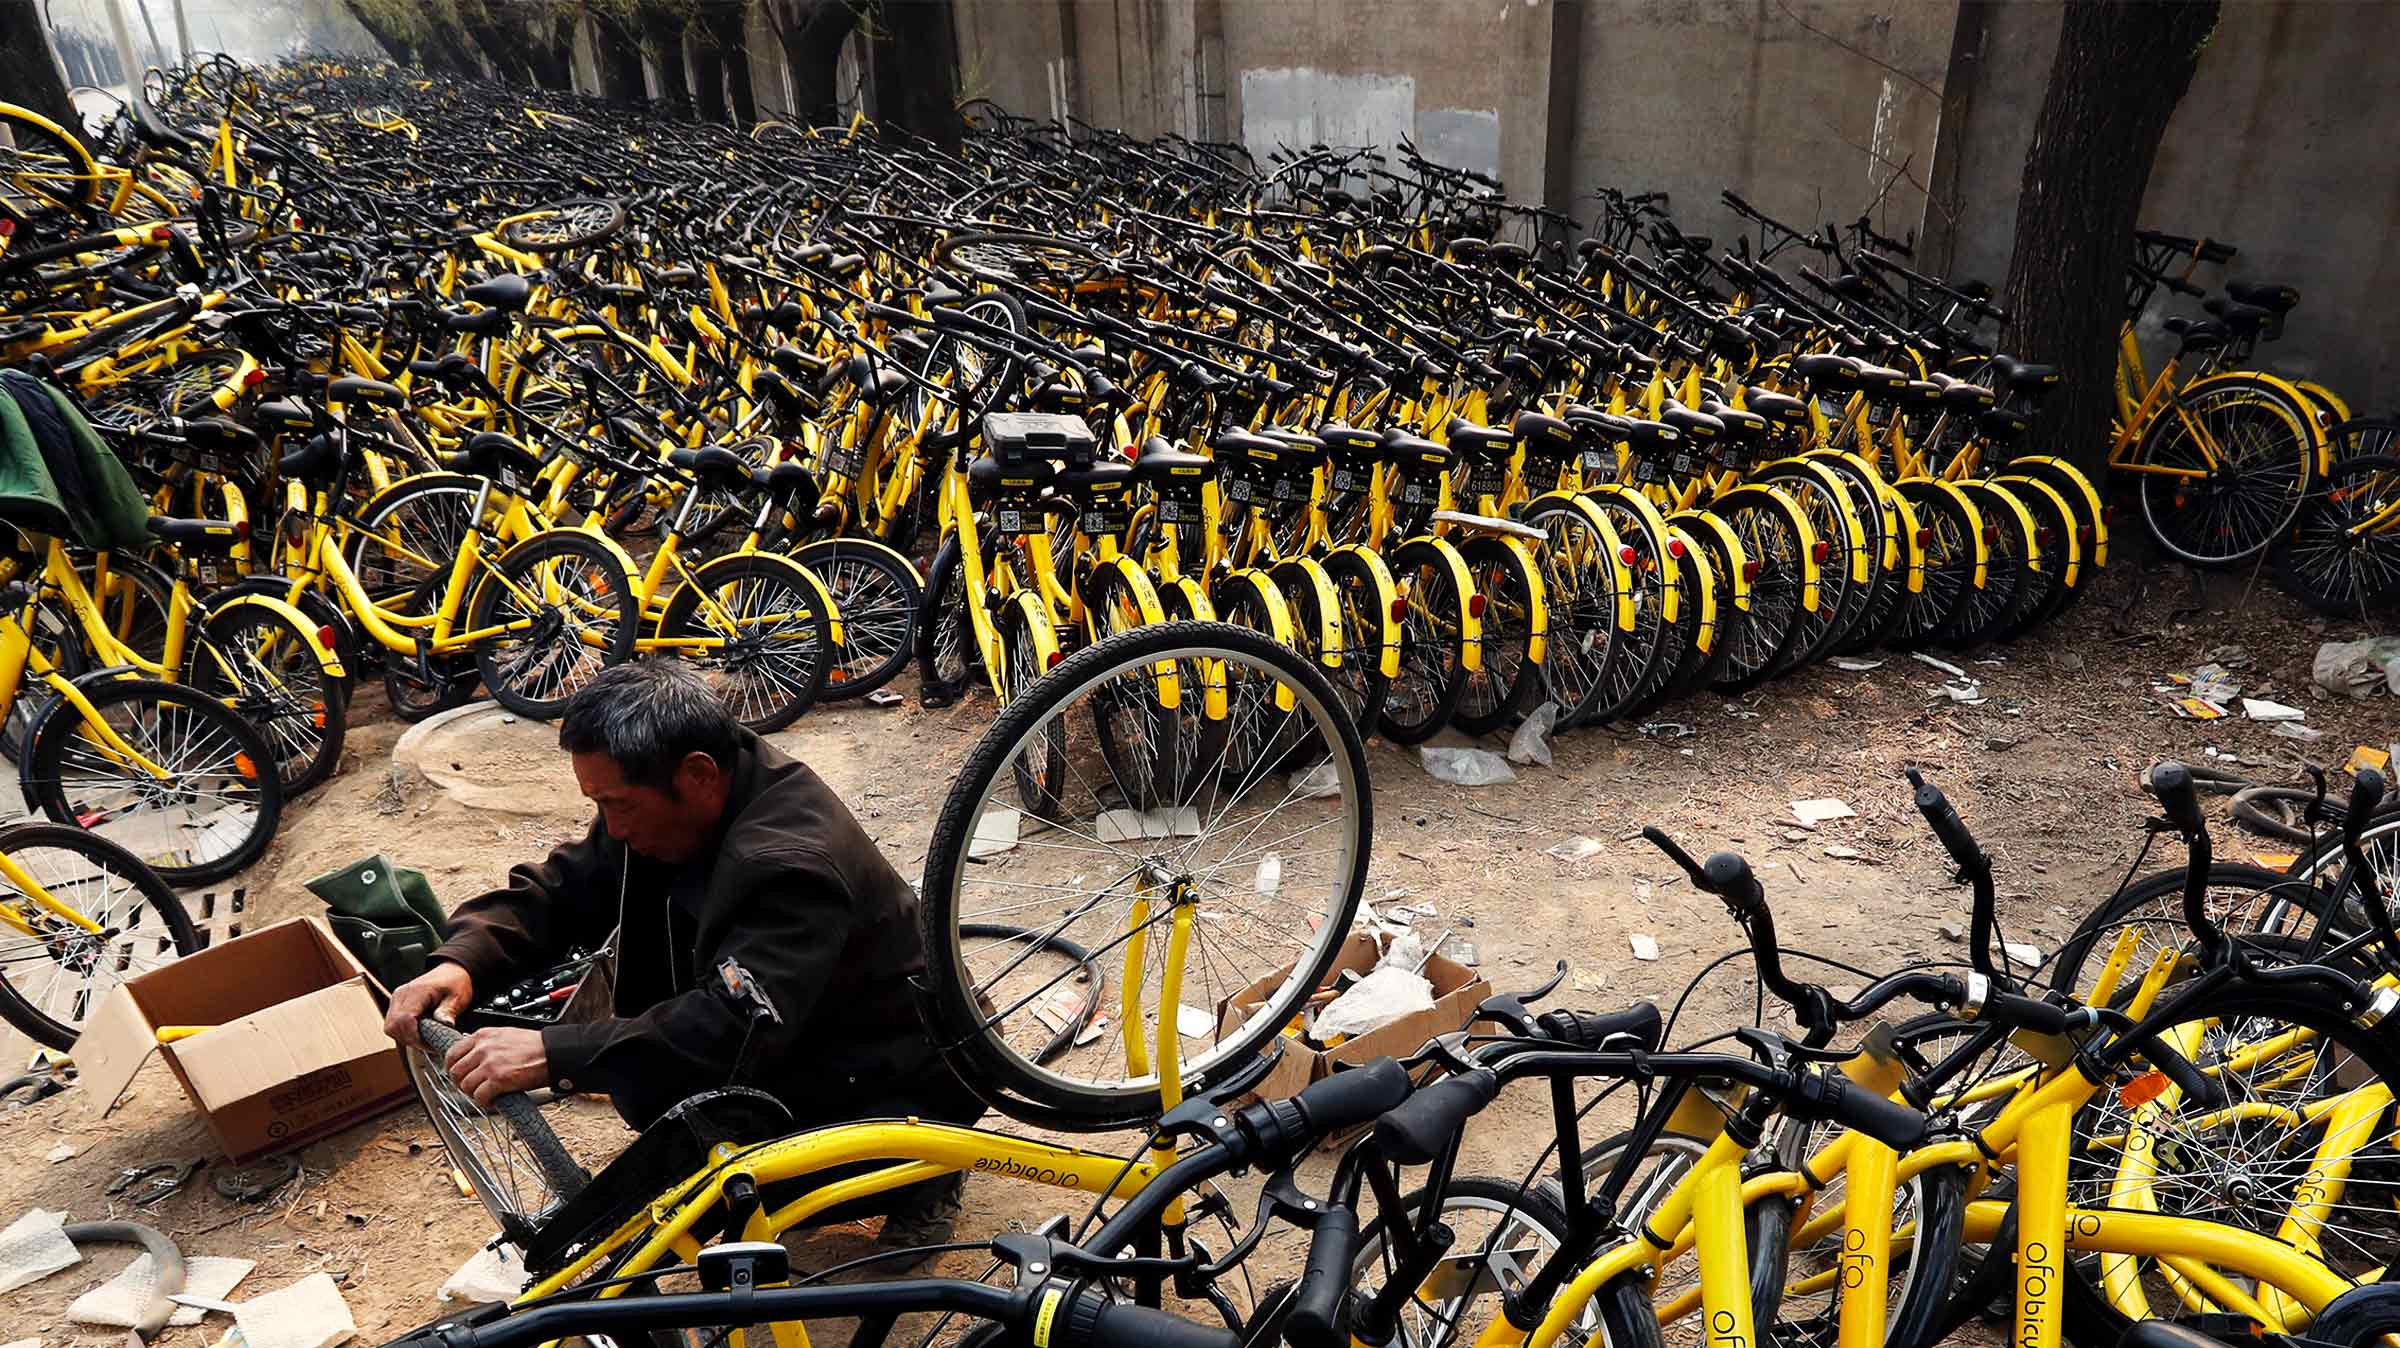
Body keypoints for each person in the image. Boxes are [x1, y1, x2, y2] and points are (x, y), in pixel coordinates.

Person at [383, 658, 984, 1250]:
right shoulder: (680, 791)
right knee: (664, 1115)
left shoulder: (789, 864)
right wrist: (461, 960)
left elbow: (731, 1024)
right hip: (802, 1035)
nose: (610, 827)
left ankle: (923, 1174)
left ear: (697, 775)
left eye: (617, 805)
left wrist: (552, 1050)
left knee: (730, 1197)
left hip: (893, 1076)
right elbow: (564, 888)